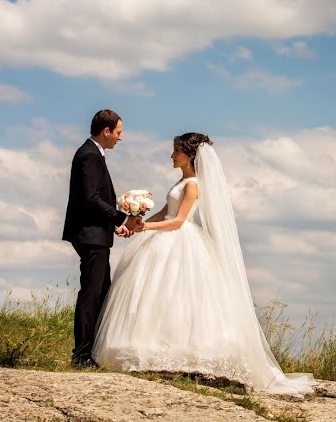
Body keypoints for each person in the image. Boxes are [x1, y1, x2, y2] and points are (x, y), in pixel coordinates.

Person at [92, 133, 316, 394]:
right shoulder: (182, 181)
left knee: (181, 296)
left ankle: (183, 354)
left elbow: (178, 221)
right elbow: (166, 212)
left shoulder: (193, 185)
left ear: (189, 154)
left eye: (176, 151)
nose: (172, 155)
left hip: (181, 240)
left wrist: (145, 229)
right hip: (164, 237)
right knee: (158, 295)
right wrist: (134, 223)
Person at [62, 109, 139, 368]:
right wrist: (121, 219)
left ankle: (92, 350)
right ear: (106, 131)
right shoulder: (90, 155)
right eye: (118, 132)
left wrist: (113, 223)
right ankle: (82, 355)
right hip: (91, 236)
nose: (120, 138)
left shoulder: (93, 154)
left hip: (96, 233)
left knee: (102, 291)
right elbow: (91, 199)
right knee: (92, 294)